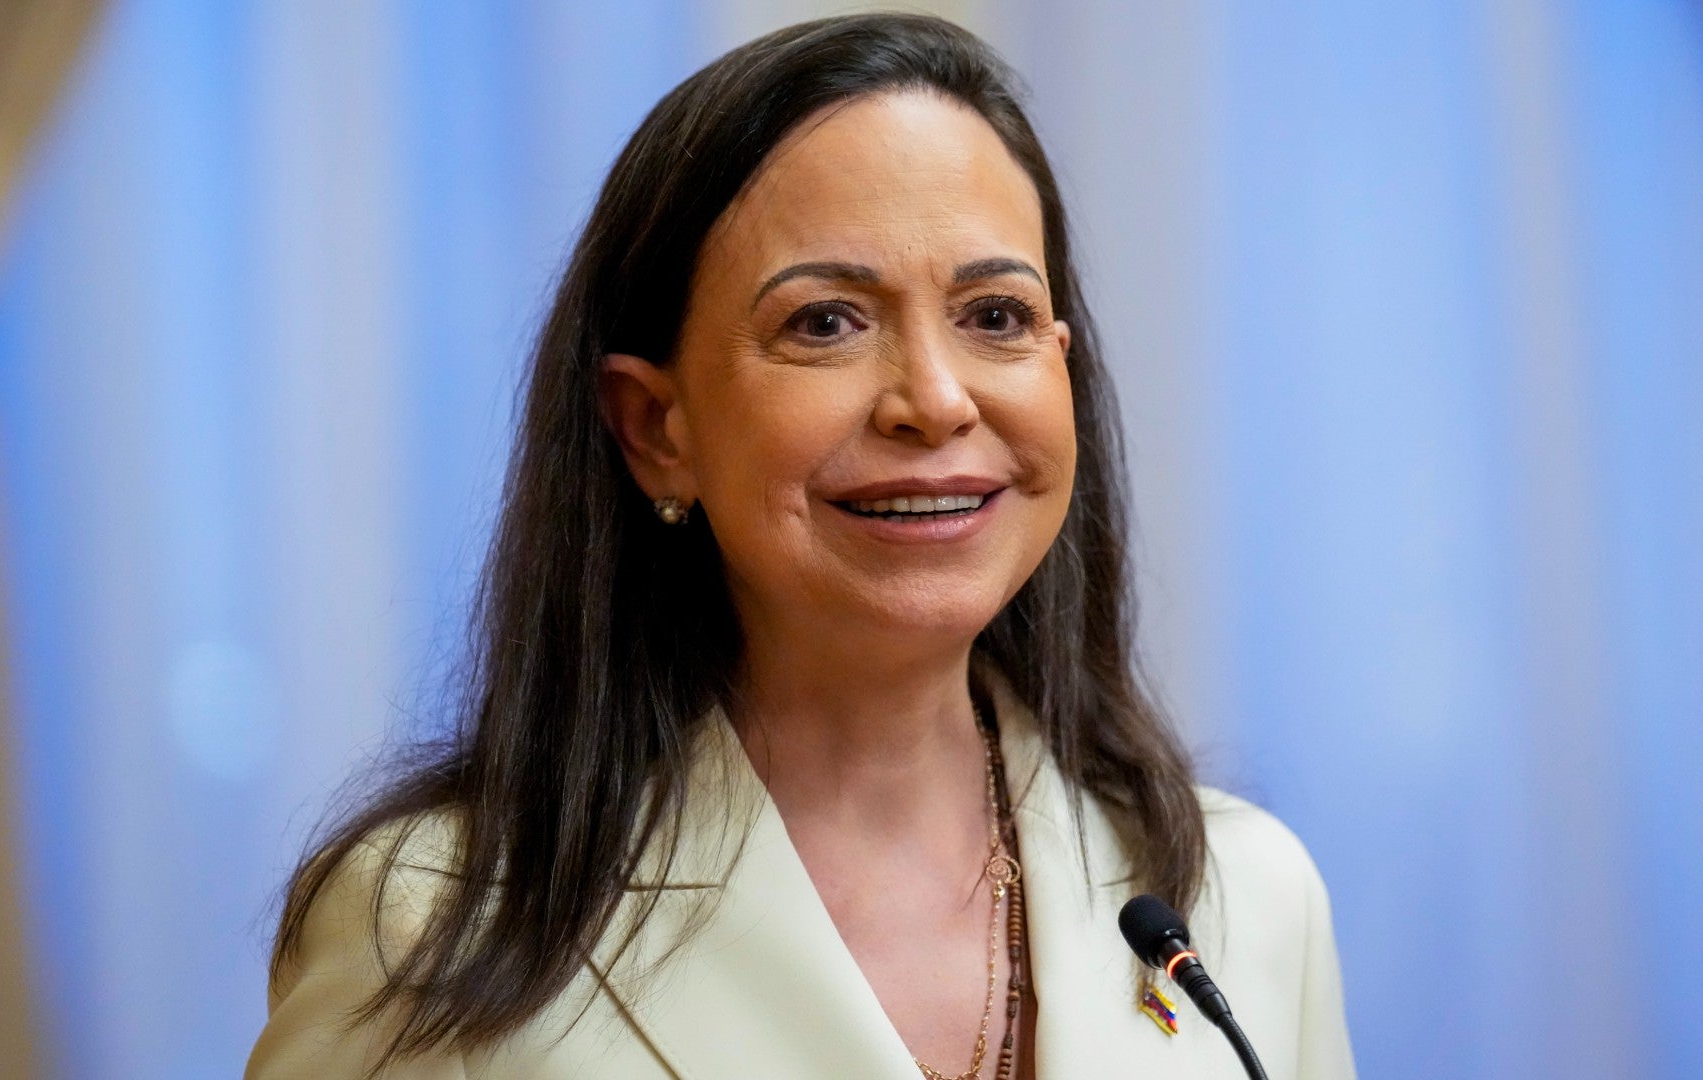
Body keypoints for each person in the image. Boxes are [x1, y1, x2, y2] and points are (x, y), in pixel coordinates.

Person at [246, 14, 1354, 1080]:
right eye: (825, 321)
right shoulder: (431, 925)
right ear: (655, 429)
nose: (933, 399)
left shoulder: (1245, 896)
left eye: (998, 316)